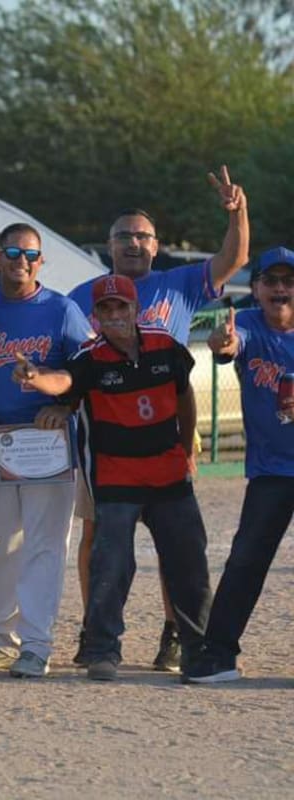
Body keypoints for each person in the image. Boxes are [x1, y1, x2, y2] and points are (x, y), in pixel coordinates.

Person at [64, 167, 249, 670]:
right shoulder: (84, 296)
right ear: (108, 244)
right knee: (98, 539)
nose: (133, 242)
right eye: (123, 235)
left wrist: (238, 213)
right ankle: (95, 633)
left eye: (142, 235)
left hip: (168, 440)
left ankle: (175, 634)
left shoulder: (180, 284)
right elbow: (70, 365)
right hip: (105, 444)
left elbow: (235, 258)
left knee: (177, 542)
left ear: (156, 244)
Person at [13, 274, 211, 682]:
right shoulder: (90, 356)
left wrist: (186, 443)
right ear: (96, 315)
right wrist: (36, 378)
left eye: (122, 306)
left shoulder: (165, 346)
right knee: (112, 564)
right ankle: (103, 649)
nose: (116, 315)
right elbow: (64, 382)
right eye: (106, 309)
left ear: (136, 309)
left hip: (169, 474)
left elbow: (183, 394)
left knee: (188, 561)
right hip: (117, 477)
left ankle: (198, 648)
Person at [0, 224, 92, 677]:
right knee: (3, 546)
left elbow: (86, 371)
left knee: (45, 545)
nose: (19, 260)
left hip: (48, 443)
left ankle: (37, 644)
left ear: (41, 260)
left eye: (29, 253)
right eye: (11, 251)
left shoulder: (61, 310)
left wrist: (62, 402)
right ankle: (4, 639)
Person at [185, 247, 294, 683]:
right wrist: (222, 344)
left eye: (289, 281)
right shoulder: (247, 324)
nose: (281, 289)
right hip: (272, 470)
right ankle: (218, 654)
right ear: (256, 288)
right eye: (271, 281)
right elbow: (228, 345)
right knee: (246, 559)